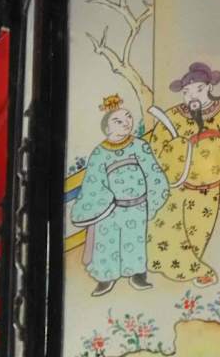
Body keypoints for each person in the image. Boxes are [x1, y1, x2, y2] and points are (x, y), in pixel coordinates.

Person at [71, 96, 170, 297]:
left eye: (128, 118)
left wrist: (152, 200)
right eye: (118, 121)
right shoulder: (99, 153)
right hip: (111, 209)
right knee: (108, 244)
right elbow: (93, 183)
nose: (126, 123)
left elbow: (153, 173)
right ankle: (106, 278)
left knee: (135, 241)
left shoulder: (140, 145)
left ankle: (137, 275)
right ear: (107, 128)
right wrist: (106, 202)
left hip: (138, 207)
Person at [146, 62, 220, 287]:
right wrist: (180, 148)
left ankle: (194, 270)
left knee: (196, 235)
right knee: (166, 229)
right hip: (176, 186)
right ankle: (172, 267)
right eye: (186, 92)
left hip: (209, 190)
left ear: (210, 88)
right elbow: (156, 148)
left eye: (198, 89)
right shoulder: (174, 115)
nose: (192, 96)